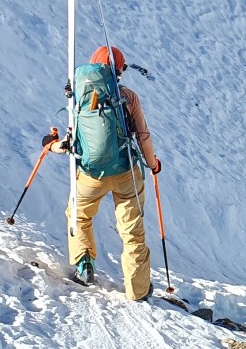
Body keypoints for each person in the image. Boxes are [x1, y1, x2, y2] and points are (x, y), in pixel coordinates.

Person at [45, 45, 161, 301]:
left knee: (79, 215)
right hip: (125, 172)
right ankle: (138, 289)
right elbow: (142, 136)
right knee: (132, 229)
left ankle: (84, 264)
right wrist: (152, 164)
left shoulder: (77, 95)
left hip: (90, 173)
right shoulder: (127, 97)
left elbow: (72, 140)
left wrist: (51, 144)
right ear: (119, 70)